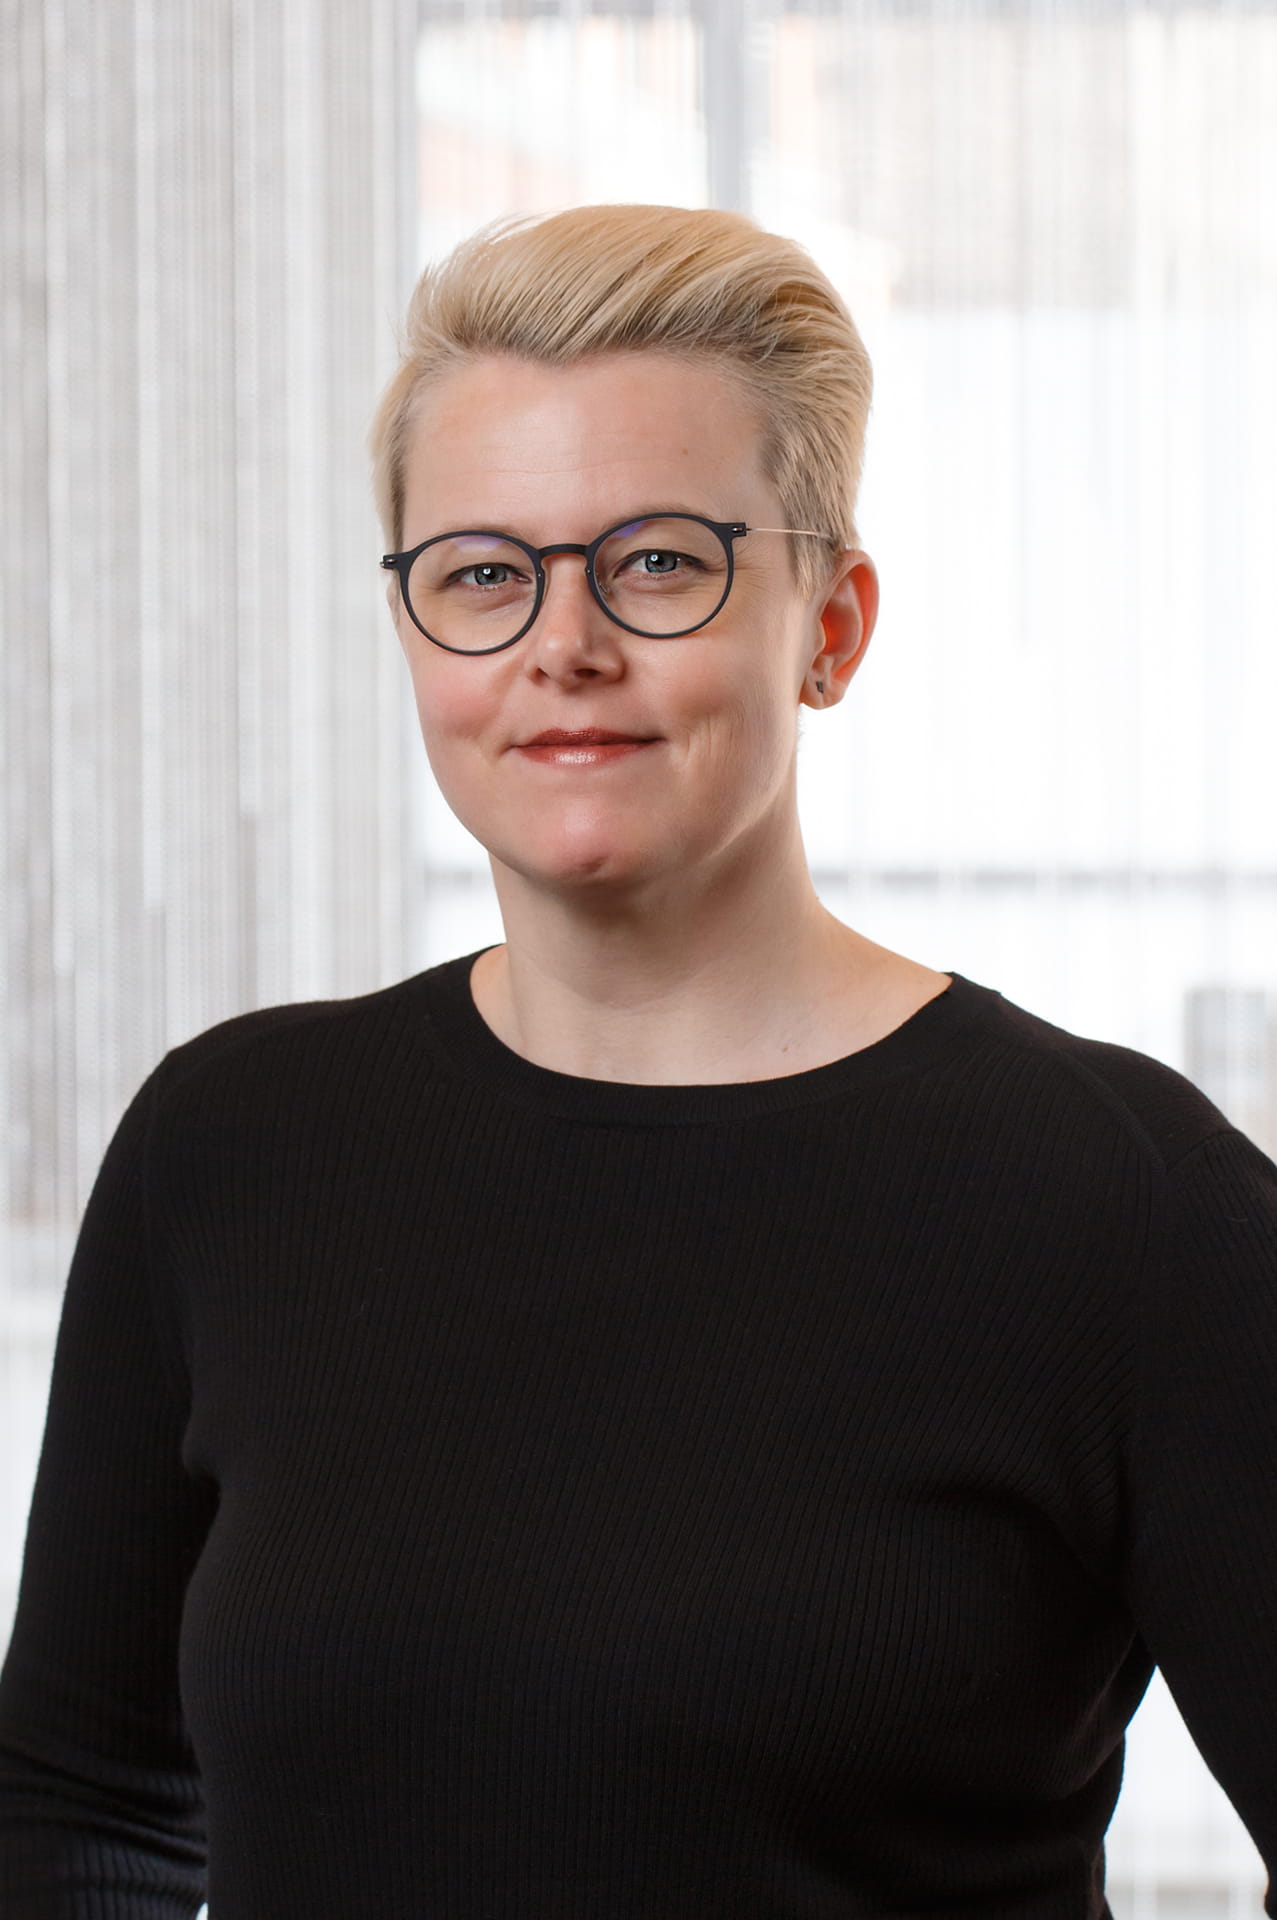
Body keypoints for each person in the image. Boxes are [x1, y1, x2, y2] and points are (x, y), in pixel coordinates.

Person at [1, 203, 1274, 1920]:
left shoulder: (1122, 1201)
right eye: (480, 574)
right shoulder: (229, 1146)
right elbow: (80, 1810)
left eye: (660, 562)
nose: (562, 646)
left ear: (831, 626)